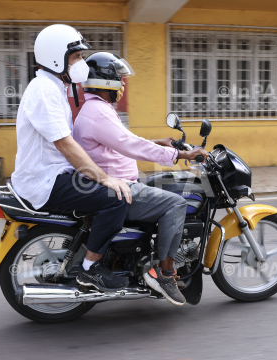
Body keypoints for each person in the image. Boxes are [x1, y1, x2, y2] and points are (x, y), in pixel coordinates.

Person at [73, 52, 208, 306]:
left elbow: (121, 141)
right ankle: (165, 273)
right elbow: (130, 145)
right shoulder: (98, 112)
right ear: (106, 82)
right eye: (120, 80)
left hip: (119, 180)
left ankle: (151, 253)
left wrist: (159, 142)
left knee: (168, 184)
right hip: (118, 186)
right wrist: (182, 154)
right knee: (176, 204)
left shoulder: (97, 108)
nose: (123, 85)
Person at [11, 25, 132, 292]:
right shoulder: (44, 90)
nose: (81, 64)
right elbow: (65, 144)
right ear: (56, 58)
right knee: (116, 199)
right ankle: (90, 270)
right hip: (46, 181)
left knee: (112, 189)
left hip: (53, 174)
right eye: (76, 57)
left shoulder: (54, 87)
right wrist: (105, 178)